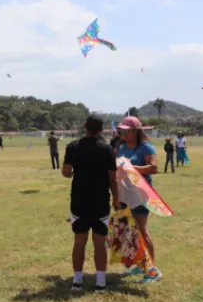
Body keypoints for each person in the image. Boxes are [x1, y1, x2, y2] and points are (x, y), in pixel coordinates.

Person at [62, 114, 120, 292]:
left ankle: (77, 281)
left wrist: (74, 173)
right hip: (100, 200)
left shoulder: (73, 147)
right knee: (99, 242)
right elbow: (112, 178)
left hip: (79, 200)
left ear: (84, 125)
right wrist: (116, 198)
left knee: (79, 241)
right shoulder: (107, 149)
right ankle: (101, 283)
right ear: (101, 130)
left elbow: (66, 172)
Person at [116, 116, 162, 283]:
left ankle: (153, 270)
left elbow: (154, 168)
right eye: (122, 131)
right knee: (131, 232)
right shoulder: (121, 147)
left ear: (136, 131)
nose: (123, 133)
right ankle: (142, 263)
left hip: (141, 194)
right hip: (125, 194)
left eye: (126, 131)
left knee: (142, 230)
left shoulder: (146, 147)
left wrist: (131, 167)